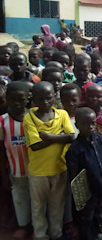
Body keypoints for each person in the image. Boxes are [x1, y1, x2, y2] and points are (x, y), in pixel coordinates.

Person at [23, 82, 75, 240]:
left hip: (59, 168)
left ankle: (56, 234)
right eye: (41, 99)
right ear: (34, 100)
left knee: (56, 206)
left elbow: (72, 137)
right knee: (38, 206)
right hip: (38, 171)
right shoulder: (29, 118)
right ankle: (40, 235)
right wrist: (60, 137)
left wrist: (49, 137)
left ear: (54, 96)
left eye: (49, 98)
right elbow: (36, 145)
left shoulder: (62, 114)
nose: (45, 102)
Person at [66, 107, 102, 240]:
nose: (90, 127)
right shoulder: (75, 149)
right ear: (77, 125)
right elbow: (73, 175)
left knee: (98, 212)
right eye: (85, 124)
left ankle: (96, 233)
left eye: (93, 123)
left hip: (99, 185)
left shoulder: (97, 138)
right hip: (86, 191)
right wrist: (79, 195)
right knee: (86, 217)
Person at [0, 82, 31, 239]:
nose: (17, 103)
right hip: (16, 169)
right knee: (19, 198)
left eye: (21, 99)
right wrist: (4, 174)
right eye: (12, 99)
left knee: (37, 199)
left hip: (37, 170)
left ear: (28, 99)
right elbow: (1, 149)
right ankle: (23, 225)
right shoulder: (2, 121)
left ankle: (36, 225)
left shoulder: (33, 118)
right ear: (7, 99)